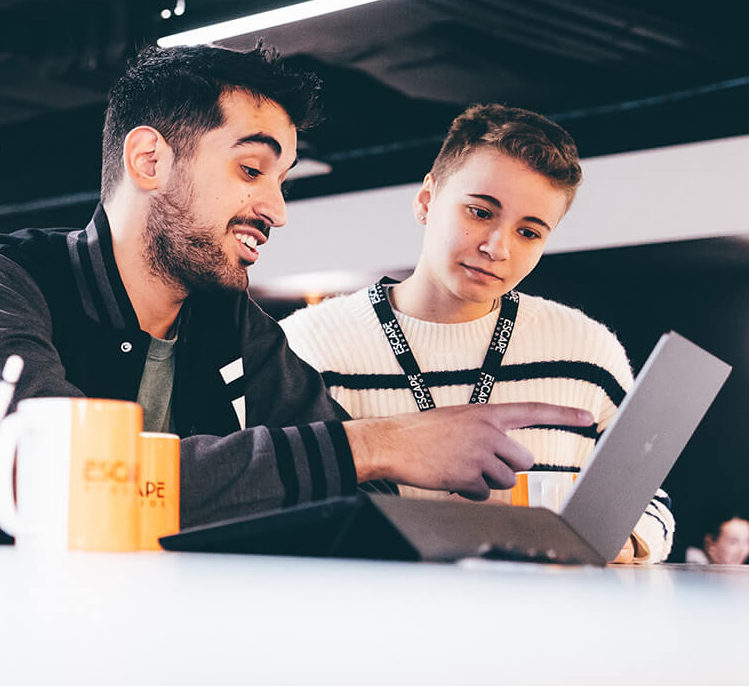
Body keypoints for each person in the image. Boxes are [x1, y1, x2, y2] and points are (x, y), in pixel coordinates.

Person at [0, 45, 592, 527]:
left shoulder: (229, 321)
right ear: (149, 160)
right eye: (252, 170)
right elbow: (71, 478)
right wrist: (383, 443)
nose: (276, 209)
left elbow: (342, 488)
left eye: (282, 180)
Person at [284, 104, 675, 563]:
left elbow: (650, 504)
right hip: (374, 619)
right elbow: (275, 502)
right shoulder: (308, 345)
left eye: (529, 232)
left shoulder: (587, 351)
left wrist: (618, 543)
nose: (497, 248)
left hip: (547, 621)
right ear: (426, 201)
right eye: (479, 212)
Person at [683, 512, 749, 564]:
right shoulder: (694, 571)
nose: (742, 550)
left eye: (747, 541)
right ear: (710, 544)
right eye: (733, 542)